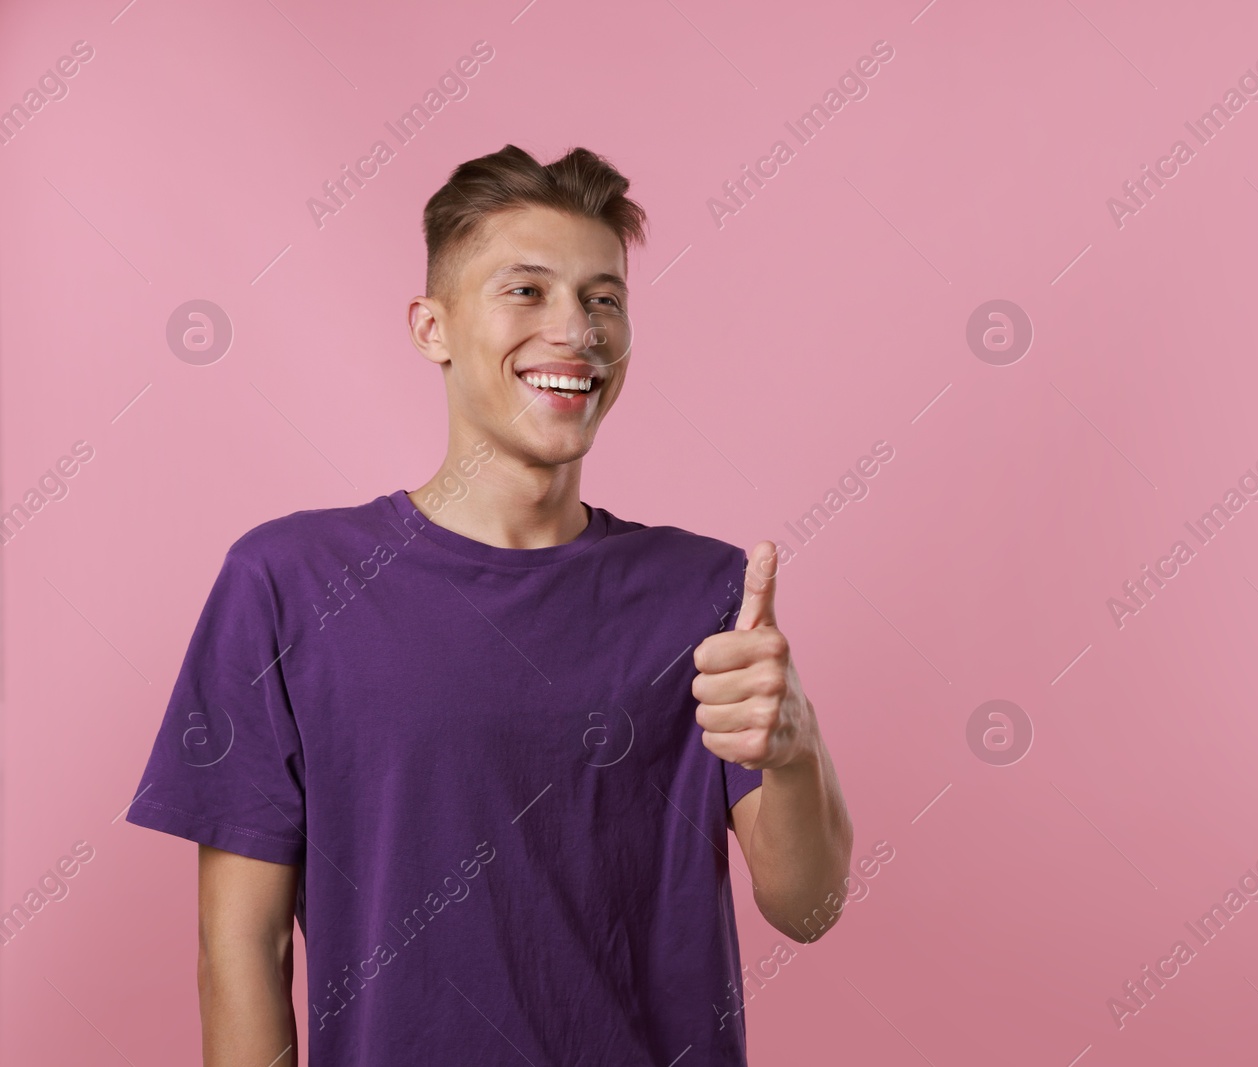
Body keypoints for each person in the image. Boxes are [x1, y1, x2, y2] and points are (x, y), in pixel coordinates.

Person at [125, 143, 853, 1066]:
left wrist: (792, 752)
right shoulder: (286, 582)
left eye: (603, 298)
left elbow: (811, 909)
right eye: (527, 291)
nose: (577, 330)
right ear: (433, 326)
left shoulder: (707, 593)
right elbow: (240, 951)